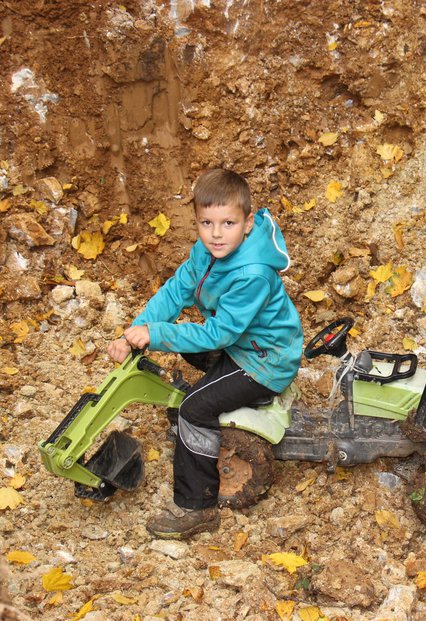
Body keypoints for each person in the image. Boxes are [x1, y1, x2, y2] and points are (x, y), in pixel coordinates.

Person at [107, 169, 303, 539]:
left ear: (247, 223)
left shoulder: (253, 274)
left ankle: (196, 507)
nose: (215, 233)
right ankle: (207, 415)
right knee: (186, 349)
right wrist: (135, 331)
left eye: (227, 223)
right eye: (206, 223)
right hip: (241, 345)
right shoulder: (208, 252)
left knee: (192, 409)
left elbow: (218, 333)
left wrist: (157, 334)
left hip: (263, 361)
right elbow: (175, 291)